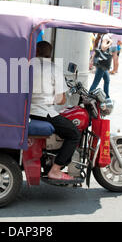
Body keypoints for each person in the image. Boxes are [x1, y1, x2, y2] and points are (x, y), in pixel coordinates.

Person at [30, 41, 80, 181]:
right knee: (74, 134)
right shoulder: (53, 68)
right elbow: (61, 100)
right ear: (50, 54)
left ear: (36, 52)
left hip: (28, 112)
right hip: (43, 112)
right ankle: (55, 170)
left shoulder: (26, 66)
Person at [89, 33, 113, 98]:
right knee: (96, 82)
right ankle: (88, 97)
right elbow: (103, 48)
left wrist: (91, 60)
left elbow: (97, 50)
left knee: (107, 80)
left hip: (101, 63)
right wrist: (110, 43)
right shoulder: (105, 36)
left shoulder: (101, 36)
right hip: (102, 64)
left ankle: (106, 97)